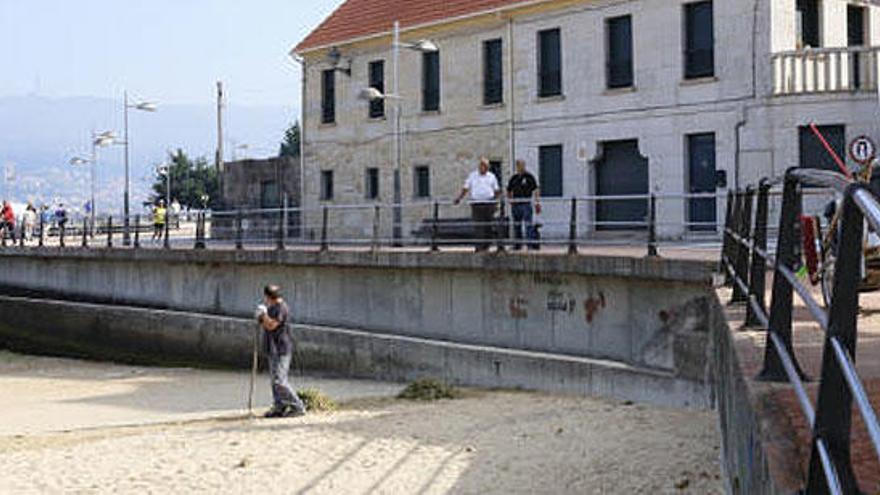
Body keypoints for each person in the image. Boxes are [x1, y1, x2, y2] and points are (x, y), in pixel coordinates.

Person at [255, 285, 306, 418]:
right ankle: (279, 406)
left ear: (267, 296)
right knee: (274, 381)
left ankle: (298, 406)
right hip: (272, 348)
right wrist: (261, 318)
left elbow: (272, 325)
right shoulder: (271, 307)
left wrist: (263, 315)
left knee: (279, 380)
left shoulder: (281, 308)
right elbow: (267, 324)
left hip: (281, 349)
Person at [454, 158, 501, 252]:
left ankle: (487, 245)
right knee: (479, 225)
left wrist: (496, 202)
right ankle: (479, 246)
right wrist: (459, 198)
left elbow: (496, 190)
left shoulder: (491, 176)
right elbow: (466, 188)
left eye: (486, 166)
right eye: (482, 165)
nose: (483, 167)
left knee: (488, 225)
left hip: (489, 203)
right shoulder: (473, 176)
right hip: (476, 203)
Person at [506, 159, 542, 250]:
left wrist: (537, 202)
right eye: (518, 165)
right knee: (516, 225)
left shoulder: (529, 177)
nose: (520, 167)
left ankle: (529, 244)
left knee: (528, 225)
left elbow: (536, 189)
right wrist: (510, 200)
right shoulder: (514, 178)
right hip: (516, 204)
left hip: (526, 203)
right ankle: (517, 245)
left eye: (522, 165)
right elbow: (509, 190)